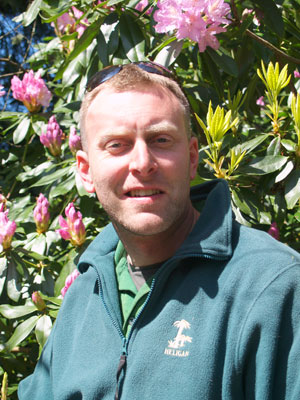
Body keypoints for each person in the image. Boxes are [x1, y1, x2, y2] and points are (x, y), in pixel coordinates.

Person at [18, 62, 300, 400]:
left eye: (161, 140)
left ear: (193, 158)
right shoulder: (84, 293)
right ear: (86, 171)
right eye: (117, 145)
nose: (142, 162)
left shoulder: (273, 285)